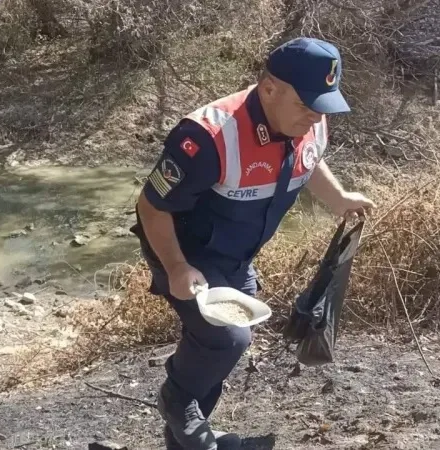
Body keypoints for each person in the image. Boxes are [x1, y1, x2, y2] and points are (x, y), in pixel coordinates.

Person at [130, 37, 376, 449]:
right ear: (268, 89)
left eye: (323, 107)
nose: (315, 118)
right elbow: (151, 207)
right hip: (183, 250)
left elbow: (308, 159)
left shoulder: (309, 119)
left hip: (237, 253)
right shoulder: (207, 137)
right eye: (306, 105)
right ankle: (175, 397)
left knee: (216, 357)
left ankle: (191, 439)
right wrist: (175, 267)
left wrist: (340, 199)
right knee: (227, 339)